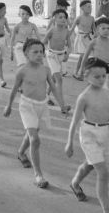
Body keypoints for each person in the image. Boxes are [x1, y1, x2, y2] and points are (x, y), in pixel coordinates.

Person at [65, 58, 109, 213]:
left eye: (103, 76)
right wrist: (69, 142)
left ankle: (75, 183)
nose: (101, 79)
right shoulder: (83, 97)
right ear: (86, 76)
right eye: (97, 76)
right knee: (103, 172)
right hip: (88, 134)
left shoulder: (108, 94)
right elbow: (75, 121)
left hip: (104, 132)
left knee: (91, 164)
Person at [4, 39, 67, 188]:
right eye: (35, 52)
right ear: (26, 53)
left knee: (32, 134)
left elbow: (54, 87)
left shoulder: (45, 70)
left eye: (41, 51)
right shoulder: (22, 71)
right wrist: (8, 106)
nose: (39, 55)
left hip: (42, 106)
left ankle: (20, 152)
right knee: (35, 139)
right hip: (27, 106)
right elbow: (14, 90)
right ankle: (38, 175)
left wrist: (62, 106)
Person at [42, 9, 72, 110]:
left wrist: (67, 54)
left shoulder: (67, 31)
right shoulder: (51, 30)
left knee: (54, 78)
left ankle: (45, 95)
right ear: (54, 19)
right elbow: (44, 42)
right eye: (60, 17)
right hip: (51, 55)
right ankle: (62, 105)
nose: (63, 19)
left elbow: (70, 45)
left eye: (64, 17)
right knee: (59, 79)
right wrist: (40, 53)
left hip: (61, 56)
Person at [71, 0, 95, 81]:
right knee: (83, 56)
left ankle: (76, 72)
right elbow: (71, 29)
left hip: (88, 39)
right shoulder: (79, 18)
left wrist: (94, 37)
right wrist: (67, 39)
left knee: (82, 58)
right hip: (80, 38)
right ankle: (81, 73)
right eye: (88, 6)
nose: (90, 8)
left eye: (91, 6)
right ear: (82, 8)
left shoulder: (92, 18)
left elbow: (94, 30)